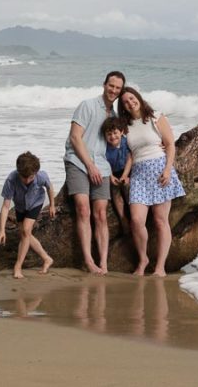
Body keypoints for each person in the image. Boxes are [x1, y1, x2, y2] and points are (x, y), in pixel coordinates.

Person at [118, 87, 186, 276]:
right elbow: (132, 154)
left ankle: (160, 267)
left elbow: (170, 144)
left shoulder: (156, 116)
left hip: (159, 169)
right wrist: (125, 174)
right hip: (139, 174)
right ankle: (143, 260)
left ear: (138, 97)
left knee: (160, 220)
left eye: (132, 98)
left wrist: (167, 170)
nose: (130, 103)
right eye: (125, 102)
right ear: (122, 106)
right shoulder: (126, 126)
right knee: (137, 220)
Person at [64, 70, 125, 274]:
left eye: (117, 88)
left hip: (102, 167)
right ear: (104, 85)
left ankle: (104, 263)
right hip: (79, 162)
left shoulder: (115, 116)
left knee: (100, 214)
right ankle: (89, 262)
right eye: (111, 86)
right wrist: (89, 165)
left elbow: (116, 145)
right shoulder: (87, 105)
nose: (114, 90)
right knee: (83, 209)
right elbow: (75, 137)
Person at [0, 151, 56, 279]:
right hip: (20, 206)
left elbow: (49, 188)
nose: (28, 180)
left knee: (26, 230)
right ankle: (47, 258)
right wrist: (1, 230)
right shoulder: (11, 180)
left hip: (36, 203)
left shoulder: (41, 176)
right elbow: (6, 206)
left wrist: (52, 205)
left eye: (31, 177)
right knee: (25, 233)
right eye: (24, 177)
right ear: (18, 172)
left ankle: (18, 266)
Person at [102, 116, 132, 235]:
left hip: (127, 170)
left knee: (128, 186)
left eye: (115, 133)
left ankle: (132, 213)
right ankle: (122, 218)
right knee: (115, 192)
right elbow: (103, 162)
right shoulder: (104, 147)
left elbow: (130, 158)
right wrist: (110, 176)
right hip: (112, 172)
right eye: (109, 134)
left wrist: (125, 175)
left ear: (122, 132)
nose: (113, 137)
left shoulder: (126, 142)